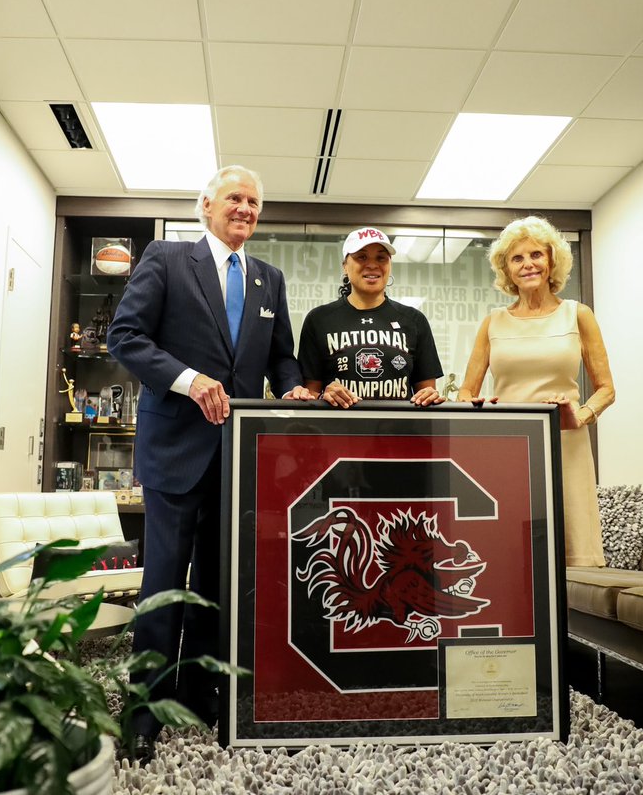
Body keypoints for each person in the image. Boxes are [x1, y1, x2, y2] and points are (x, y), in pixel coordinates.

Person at [106, 165, 313, 763]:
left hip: (241, 457)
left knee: (221, 585)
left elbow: (282, 358)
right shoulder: (168, 259)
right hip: (175, 449)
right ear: (206, 205)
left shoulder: (268, 279)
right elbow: (126, 336)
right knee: (165, 583)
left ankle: (199, 696)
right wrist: (190, 380)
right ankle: (142, 712)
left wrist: (294, 387)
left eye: (254, 202)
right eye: (234, 199)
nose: (245, 209)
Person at [457, 216, 615, 567]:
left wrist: (580, 416)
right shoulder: (493, 322)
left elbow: (606, 389)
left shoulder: (578, 315)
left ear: (551, 261)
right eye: (517, 258)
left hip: (566, 445)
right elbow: (466, 391)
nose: (528, 264)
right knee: (512, 555)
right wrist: (478, 405)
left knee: (572, 558)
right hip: (509, 446)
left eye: (536, 255)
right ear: (507, 270)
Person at [297, 227, 445, 408]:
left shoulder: (414, 320)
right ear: (345, 265)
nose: (372, 265)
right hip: (338, 432)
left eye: (381, 258)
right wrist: (324, 395)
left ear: (390, 264)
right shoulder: (319, 320)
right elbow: (309, 395)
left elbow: (426, 394)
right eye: (362, 257)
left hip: (399, 432)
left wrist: (430, 396)